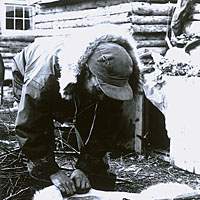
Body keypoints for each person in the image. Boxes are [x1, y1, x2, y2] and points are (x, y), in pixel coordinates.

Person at [12, 24, 141, 196]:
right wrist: (51, 170)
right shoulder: (42, 81)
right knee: (42, 171)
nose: (103, 97)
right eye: (100, 90)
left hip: (73, 83)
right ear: (87, 72)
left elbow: (106, 126)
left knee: (96, 169)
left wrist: (84, 168)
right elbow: (29, 125)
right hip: (28, 70)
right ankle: (40, 169)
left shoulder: (117, 77)